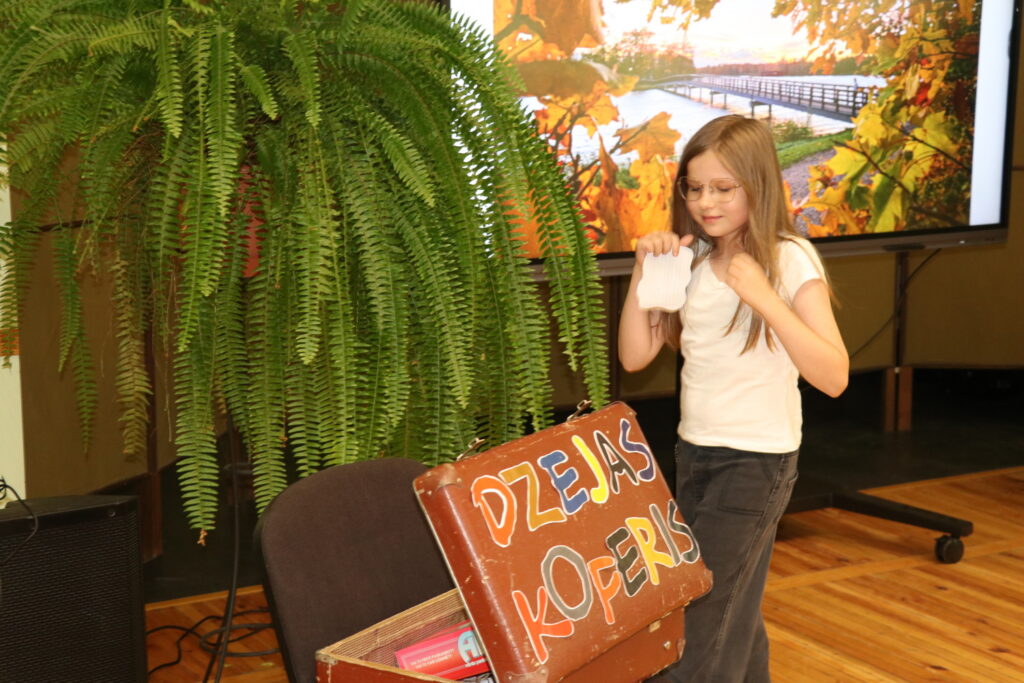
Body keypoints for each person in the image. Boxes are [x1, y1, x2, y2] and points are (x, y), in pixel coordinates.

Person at [621, 115, 849, 682]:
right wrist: (643, 272)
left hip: (756, 463)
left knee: (698, 622)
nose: (706, 202)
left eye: (723, 188)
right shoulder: (692, 258)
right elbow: (634, 356)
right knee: (733, 609)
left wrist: (764, 296)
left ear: (759, 184)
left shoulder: (790, 258)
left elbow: (834, 375)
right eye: (695, 188)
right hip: (695, 454)